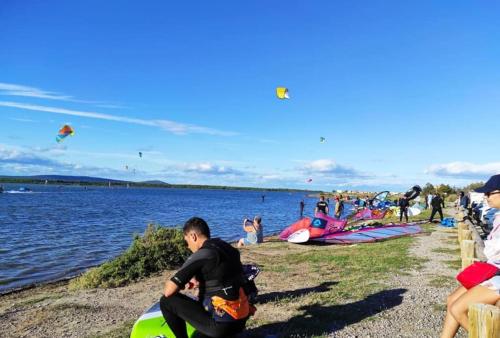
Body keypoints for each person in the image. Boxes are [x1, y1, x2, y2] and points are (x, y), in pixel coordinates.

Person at [160, 217, 251, 338]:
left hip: (222, 325)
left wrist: (180, 282)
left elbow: (168, 291)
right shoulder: (228, 248)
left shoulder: (203, 253)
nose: (187, 246)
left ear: (193, 236)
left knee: (167, 301)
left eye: (186, 242)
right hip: (241, 319)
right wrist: (198, 281)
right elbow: (223, 277)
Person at [440, 174, 500, 338]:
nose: (485, 197)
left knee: (457, 308)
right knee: (452, 299)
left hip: (498, 277)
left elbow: (492, 251)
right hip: (494, 270)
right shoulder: (498, 217)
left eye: (489, 193)